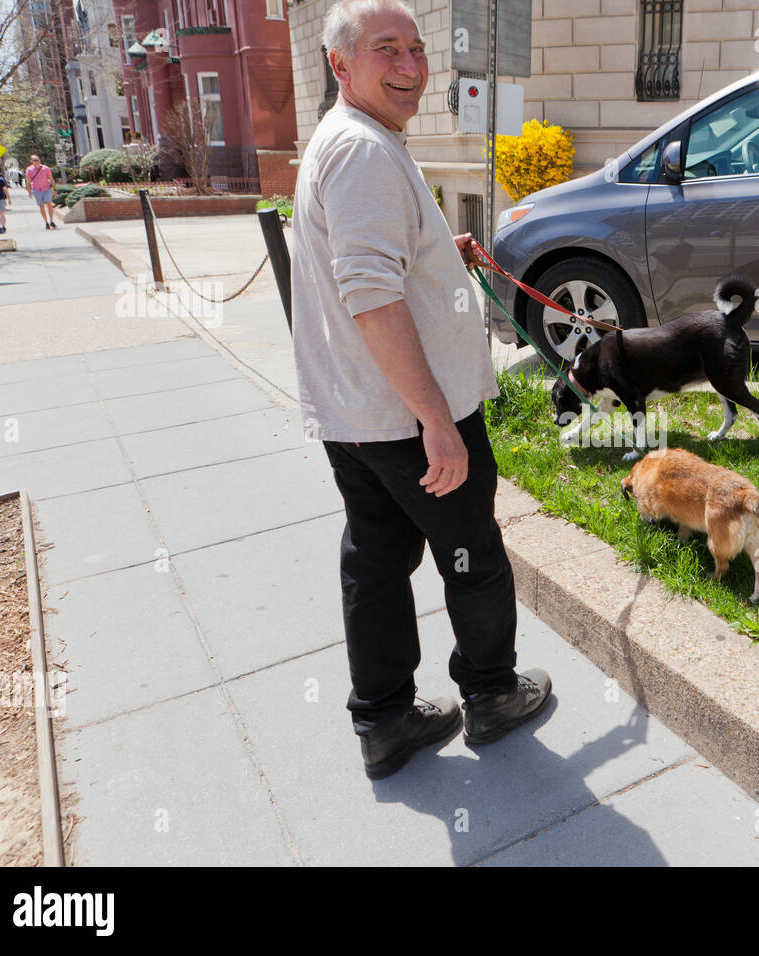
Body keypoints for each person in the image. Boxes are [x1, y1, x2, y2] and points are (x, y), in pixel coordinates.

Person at [291, 0, 551, 781]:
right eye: (386, 51)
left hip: (357, 413)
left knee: (375, 558)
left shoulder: (353, 139)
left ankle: (385, 718)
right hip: (409, 418)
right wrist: (436, 418)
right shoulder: (365, 152)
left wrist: (444, 249)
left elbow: (379, 261)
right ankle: (493, 694)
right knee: (472, 552)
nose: (409, 65)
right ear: (341, 65)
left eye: (415, 48)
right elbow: (370, 292)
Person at [24, 154, 56, 229]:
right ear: (31, 161)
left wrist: (54, 189)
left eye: (37, 160)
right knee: (41, 207)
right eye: (34, 160)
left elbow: (51, 179)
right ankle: (46, 222)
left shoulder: (46, 168)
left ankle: (51, 220)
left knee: (49, 204)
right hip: (37, 190)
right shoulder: (29, 170)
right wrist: (29, 192)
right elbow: (28, 182)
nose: (36, 162)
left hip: (46, 189)